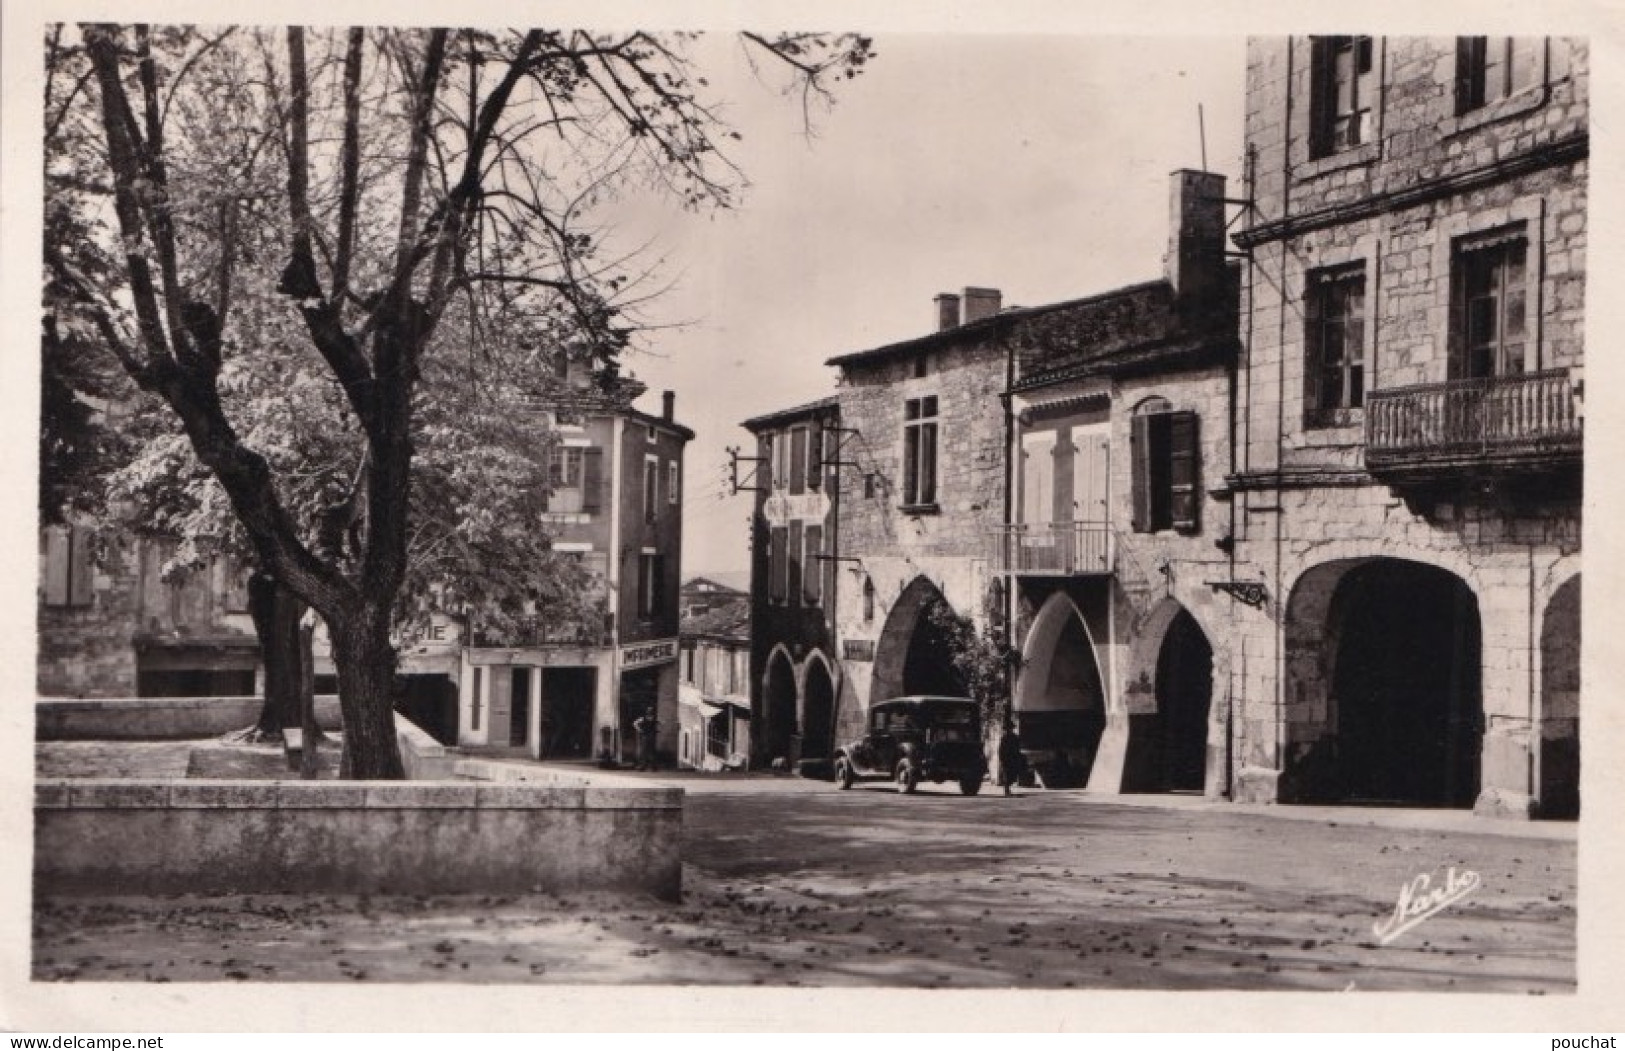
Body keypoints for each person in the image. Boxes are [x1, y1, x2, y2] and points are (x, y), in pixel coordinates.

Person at [997, 722, 1026, 797]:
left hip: (1013, 758)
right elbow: (1001, 749)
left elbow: (1018, 748)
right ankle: (1007, 790)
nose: (1009, 730)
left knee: (1013, 774)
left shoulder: (1015, 737)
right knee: (1007, 774)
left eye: (1010, 728)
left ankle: (1008, 788)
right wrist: (1002, 758)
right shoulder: (1004, 738)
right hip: (1007, 758)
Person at [633, 706, 659, 771]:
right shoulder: (643, 718)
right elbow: (635, 723)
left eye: (651, 711)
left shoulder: (654, 719)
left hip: (651, 736)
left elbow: (660, 723)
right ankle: (644, 766)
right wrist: (639, 730)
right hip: (646, 736)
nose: (650, 712)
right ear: (647, 712)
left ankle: (652, 766)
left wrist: (657, 730)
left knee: (651, 751)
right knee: (645, 751)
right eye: (649, 710)